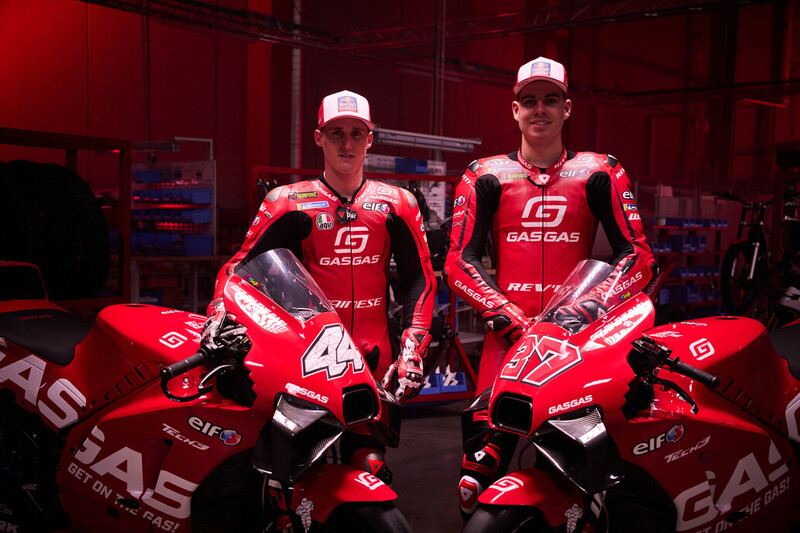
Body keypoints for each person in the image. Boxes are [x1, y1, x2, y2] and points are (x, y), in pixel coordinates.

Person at [443, 57, 656, 519]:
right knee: (475, 476)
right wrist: (505, 316)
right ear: (515, 110)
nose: (540, 109)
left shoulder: (600, 171)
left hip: (576, 344)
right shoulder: (484, 174)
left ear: (567, 108)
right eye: (530, 101)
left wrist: (590, 306)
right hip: (507, 341)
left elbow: (639, 256)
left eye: (551, 100)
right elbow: (458, 261)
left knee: (569, 473)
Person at [203, 89, 437, 484]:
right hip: (303, 361)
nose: (347, 144)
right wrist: (218, 313)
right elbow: (237, 269)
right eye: (335, 133)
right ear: (318, 137)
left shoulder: (398, 203)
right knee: (293, 474)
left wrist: (413, 349)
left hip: (374, 360)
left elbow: (421, 280)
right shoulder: (286, 202)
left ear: (370, 139)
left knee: (369, 470)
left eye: (356, 134)